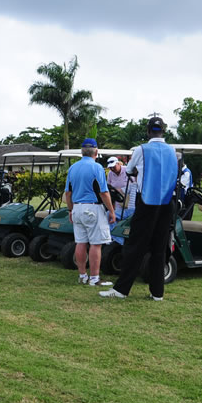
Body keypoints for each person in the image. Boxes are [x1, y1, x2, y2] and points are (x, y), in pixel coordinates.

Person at [100, 117, 178, 301]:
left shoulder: (141, 149)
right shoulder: (173, 151)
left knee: (135, 246)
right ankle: (157, 292)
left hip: (147, 202)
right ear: (163, 131)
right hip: (167, 203)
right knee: (160, 247)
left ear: (148, 131)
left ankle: (122, 289)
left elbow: (129, 170)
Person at [64, 138, 117, 286]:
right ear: (96, 152)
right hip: (92, 208)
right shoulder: (97, 167)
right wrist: (112, 211)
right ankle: (94, 278)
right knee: (96, 244)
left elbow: (68, 193)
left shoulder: (72, 168)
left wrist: (70, 210)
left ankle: (82, 275)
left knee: (80, 242)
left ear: (82, 152)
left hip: (77, 208)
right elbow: (104, 192)